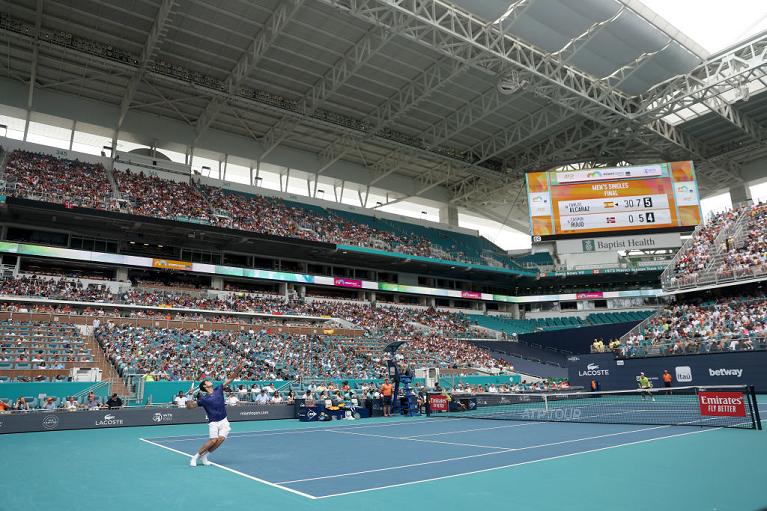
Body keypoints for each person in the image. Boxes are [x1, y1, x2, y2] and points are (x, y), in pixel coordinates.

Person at [187, 363, 242, 467]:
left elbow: (230, 379)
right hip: (213, 422)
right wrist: (190, 395)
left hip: (224, 420)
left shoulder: (219, 389)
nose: (209, 380)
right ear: (205, 386)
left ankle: (205, 455)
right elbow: (190, 407)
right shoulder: (203, 399)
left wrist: (237, 371)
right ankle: (195, 457)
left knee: (220, 439)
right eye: (207, 381)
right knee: (213, 440)